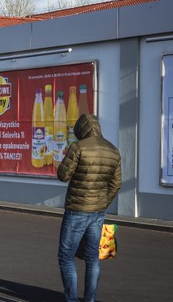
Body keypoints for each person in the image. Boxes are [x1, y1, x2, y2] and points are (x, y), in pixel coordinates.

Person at [56, 113, 122, 302]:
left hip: (77, 210)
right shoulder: (113, 150)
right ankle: (90, 299)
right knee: (92, 258)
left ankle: (71, 299)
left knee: (65, 257)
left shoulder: (78, 147)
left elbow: (63, 175)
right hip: (98, 212)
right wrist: (102, 202)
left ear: (81, 130)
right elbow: (116, 184)